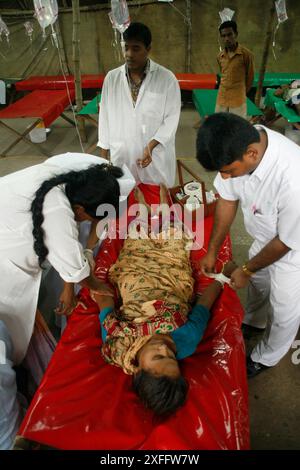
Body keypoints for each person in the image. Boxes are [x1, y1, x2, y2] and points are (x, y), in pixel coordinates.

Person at [0, 153, 135, 448]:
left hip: (11, 242)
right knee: (5, 350)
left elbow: (75, 252)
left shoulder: (65, 179)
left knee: (14, 337)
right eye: (87, 217)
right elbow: (73, 260)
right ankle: (12, 437)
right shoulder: (60, 211)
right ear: (78, 208)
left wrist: (74, 282)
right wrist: (98, 287)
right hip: (5, 263)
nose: (86, 223)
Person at [91, 186, 235, 416]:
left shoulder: (117, 342)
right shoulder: (187, 341)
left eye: (158, 357)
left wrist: (96, 285)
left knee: (137, 239)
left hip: (136, 276)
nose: (164, 348)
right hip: (173, 278)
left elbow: (105, 305)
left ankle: (143, 211)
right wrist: (222, 276)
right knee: (174, 237)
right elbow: (203, 305)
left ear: (138, 369)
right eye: (171, 357)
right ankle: (162, 205)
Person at [196, 112, 300, 377]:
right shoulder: (240, 144)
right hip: (266, 238)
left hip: (293, 249)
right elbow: (228, 200)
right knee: (259, 284)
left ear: (252, 154)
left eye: (229, 171)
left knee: (284, 307)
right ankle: (255, 321)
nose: (226, 178)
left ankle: (267, 356)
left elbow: (286, 241)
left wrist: (247, 269)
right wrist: (212, 249)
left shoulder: (292, 178)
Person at [98, 22, 181, 187]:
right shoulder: (112, 78)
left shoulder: (166, 79)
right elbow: (105, 117)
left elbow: (171, 118)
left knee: (157, 205)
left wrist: (151, 145)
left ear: (148, 49)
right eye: (126, 47)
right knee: (126, 198)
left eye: (136, 48)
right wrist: (103, 155)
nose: (129, 54)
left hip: (155, 159)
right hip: (122, 154)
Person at [216, 20, 254, 118]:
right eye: (223, 36)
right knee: (220, 125)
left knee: (237, 128)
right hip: (222, 97)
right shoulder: (220, 56)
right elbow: (222, 72)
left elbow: (250, 77)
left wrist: (241, 92)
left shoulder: (246, 54)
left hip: (238, 99)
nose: (227, 38)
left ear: (236, 34)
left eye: (229, 35)